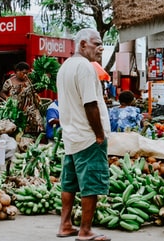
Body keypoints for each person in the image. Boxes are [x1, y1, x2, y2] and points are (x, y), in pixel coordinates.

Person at [56, 28, 111, 241]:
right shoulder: (85, 68)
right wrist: (99, 134)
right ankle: (85, 231)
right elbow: (90, 104)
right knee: (91, 183)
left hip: (71, 135)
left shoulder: (65, 67)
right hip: (87, 136)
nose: (101, 48)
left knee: (69, 183)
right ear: (82, 45)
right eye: (96, 44)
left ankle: (65, 225)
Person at [0, 61, 44, 135]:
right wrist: (7, 98)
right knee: (19, 129)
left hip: (31, 109)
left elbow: (37, 90)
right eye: (23, 73)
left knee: (39, 126)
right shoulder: (9, 82)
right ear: (17, 71)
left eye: (27, 73)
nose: (25, 75)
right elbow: (2, 92)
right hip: (16, 110)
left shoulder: (30, 80)